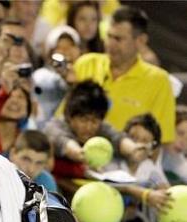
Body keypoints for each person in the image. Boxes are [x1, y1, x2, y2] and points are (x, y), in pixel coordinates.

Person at [72, 6, 176, 143]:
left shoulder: (159, 81)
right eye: (108, 36)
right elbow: (64, 117)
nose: (110, 44)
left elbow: (161, 140)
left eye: (118, 39)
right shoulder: (85, 64)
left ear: (141, 41)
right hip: (76, 153)